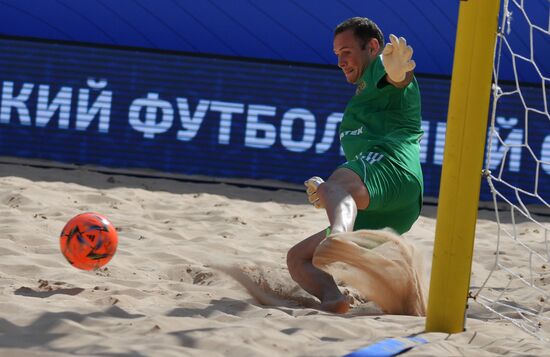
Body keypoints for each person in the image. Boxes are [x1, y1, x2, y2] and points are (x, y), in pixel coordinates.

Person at [286, 17, 424, 313]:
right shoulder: (362, 95)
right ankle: (334, 299)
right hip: (394, 212)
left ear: (372, 46)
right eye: (337, 54)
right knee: (298, 258)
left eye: (346, 51)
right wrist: (329, 194)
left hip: (394, 170)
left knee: (336, 184)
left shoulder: (381, 68)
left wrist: (400, 73)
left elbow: (397, 78)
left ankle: (339, 236)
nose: (340, 61)